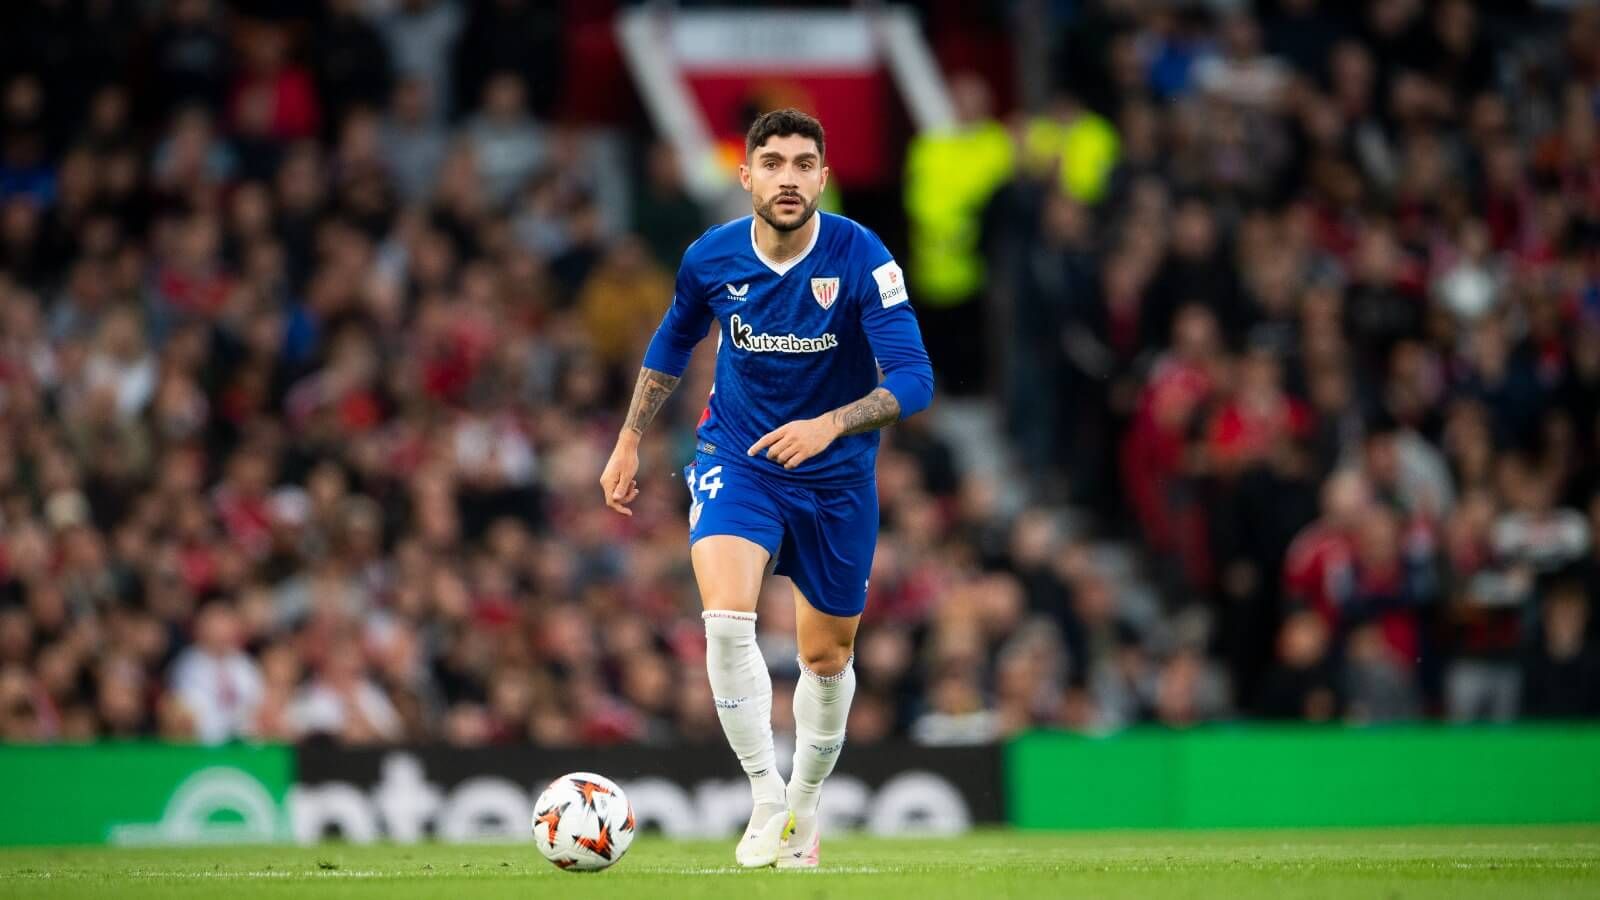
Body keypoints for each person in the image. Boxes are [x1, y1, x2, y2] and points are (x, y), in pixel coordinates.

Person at [599, 109, 933, 869]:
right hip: (738, 457)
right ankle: (764, 795)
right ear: (745, 176)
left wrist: (831, 425)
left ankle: (805, 807)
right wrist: (628, 437)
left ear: (822, 175)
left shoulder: (862, 256)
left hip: (836, 477)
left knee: (825, 658)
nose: (789, 177)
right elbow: (674, 339)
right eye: (773, 163)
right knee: (725, 620)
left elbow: (914, 378)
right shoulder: (710, 258)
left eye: (803, 163)